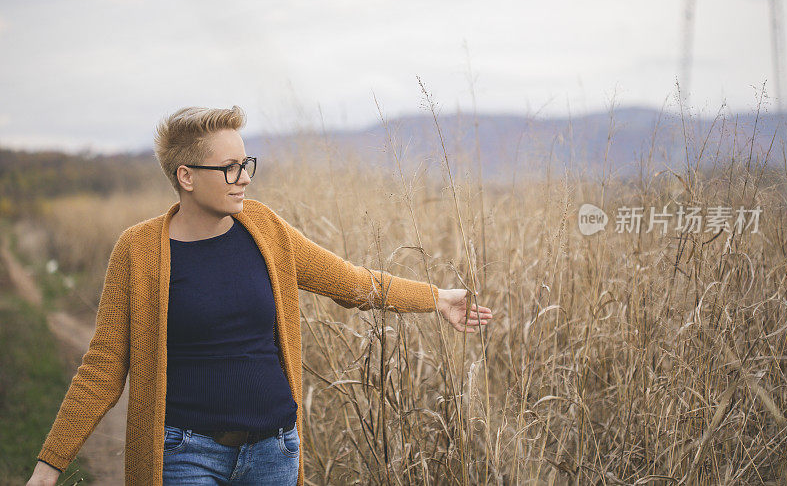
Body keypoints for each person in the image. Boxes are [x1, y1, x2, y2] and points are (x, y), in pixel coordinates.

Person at [26, 105, 493, 486]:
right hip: (185, 455)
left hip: (275, 452)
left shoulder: (265, 230)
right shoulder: (139, 250)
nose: (244, 177)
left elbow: (351, 282)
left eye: (246, 164)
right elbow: (104, 366)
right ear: (186, 176)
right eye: (229, 168)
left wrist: (435, 298)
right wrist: (50, 465)